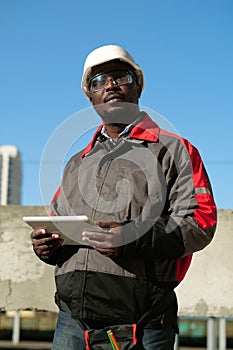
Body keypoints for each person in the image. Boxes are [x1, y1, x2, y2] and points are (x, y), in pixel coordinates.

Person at [31, 44, 217, 350]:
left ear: (139, 85)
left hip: (142, 326)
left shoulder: (176, 151)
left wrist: (133, 237)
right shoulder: (77, 163)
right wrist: (47, 247)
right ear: (90, 98)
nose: (111, 86)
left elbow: (201, 222)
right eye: (98, 82)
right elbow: (59, 224)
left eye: (121, 77)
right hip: (71, 324)